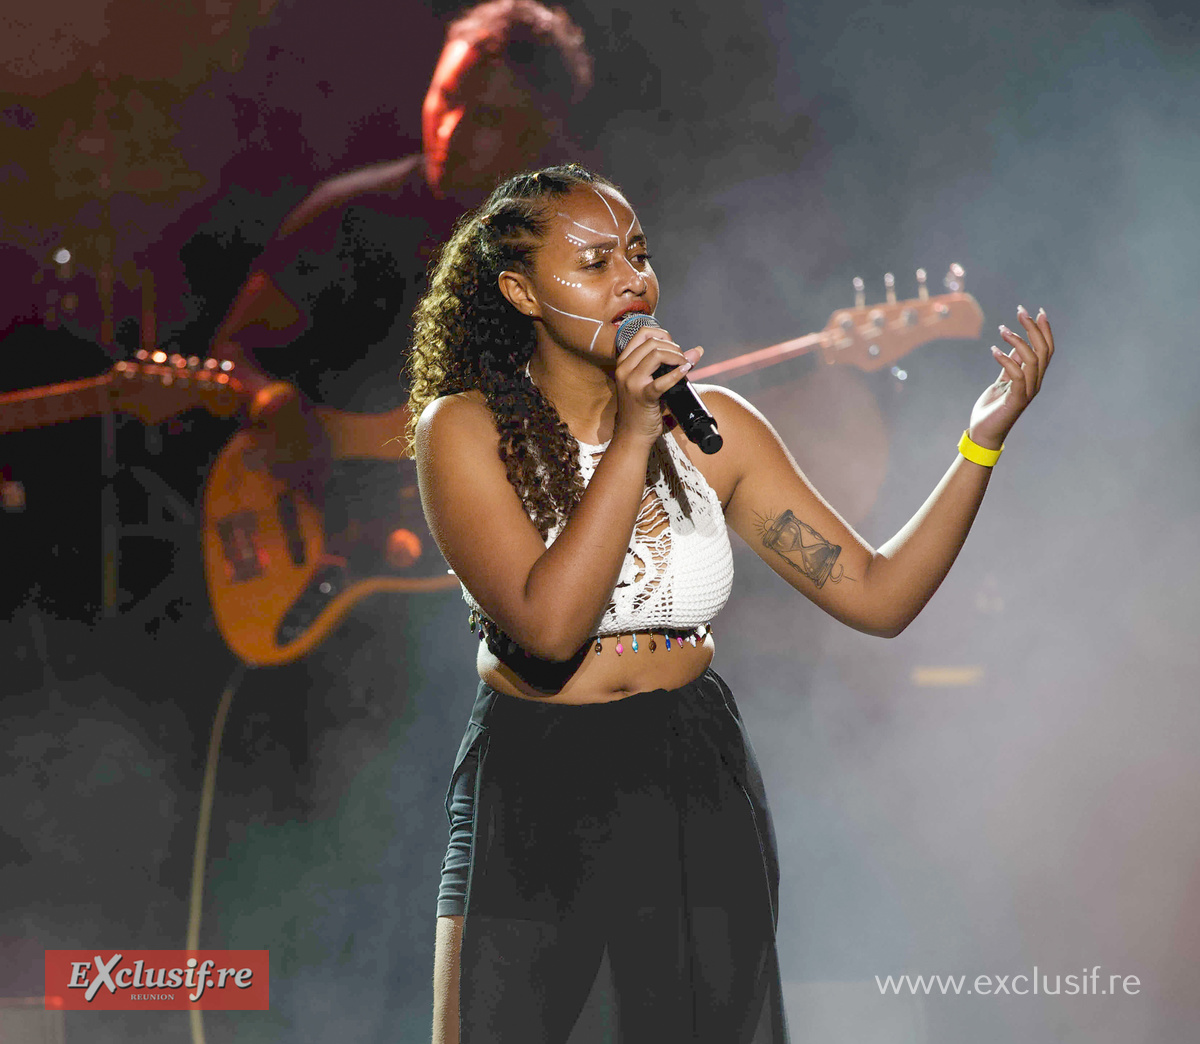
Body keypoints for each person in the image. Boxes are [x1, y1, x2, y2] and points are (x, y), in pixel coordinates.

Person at [408, 163, 1054, 1042]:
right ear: (521, 292)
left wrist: (979, 445)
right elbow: (550, 628)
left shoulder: (718, 433)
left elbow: (878, 594)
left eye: (637, 253)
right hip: (535, 776)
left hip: (688, 768)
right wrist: (636, 434)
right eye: (595, 264)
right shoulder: (465, 430)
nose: (632, 280)